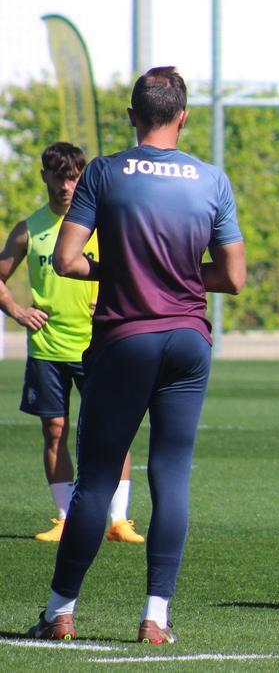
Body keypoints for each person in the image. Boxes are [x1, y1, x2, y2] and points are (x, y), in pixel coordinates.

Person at [26, 66, 245, 644]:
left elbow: (70, 261)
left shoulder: (104, 172)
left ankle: (60, 612)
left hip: (126, 339)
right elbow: (233, 277)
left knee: (96, 481)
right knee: (171, 476)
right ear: (184, 116)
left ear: (131, 116)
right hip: (189, 342)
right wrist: (177, 273)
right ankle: (155, 618)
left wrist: (121, 269)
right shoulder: (211, 178)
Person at [0, 143, 144, 545]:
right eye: (59, 176)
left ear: (82, 178)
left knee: (116, 429)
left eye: (73, 177)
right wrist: (16, 310)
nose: (66, 185)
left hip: (100, 343)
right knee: (55, 430)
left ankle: (119, 520)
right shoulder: (30, 228)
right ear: (44, 176)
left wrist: (115, 294)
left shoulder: (102, 224)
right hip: (48, 348)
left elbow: (136, 267)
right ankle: (64, 518)